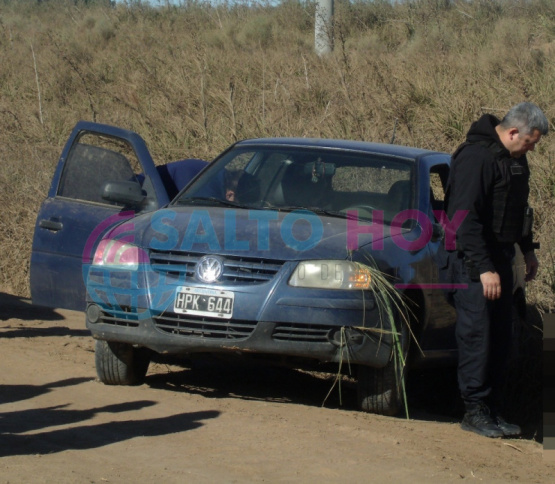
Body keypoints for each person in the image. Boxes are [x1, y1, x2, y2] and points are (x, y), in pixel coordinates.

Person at [443, 102, 548, 438]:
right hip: (474, 262)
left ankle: (493, 409)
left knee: (502, 339)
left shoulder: (514, 159)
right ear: (513, 131)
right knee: (478, 337)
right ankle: (473, 410)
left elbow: (519, 209)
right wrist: (484, 268)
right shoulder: (476, 158)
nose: (531, 148)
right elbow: (464, 220)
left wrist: (528, 249)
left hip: (502, 257)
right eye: (530, 142)